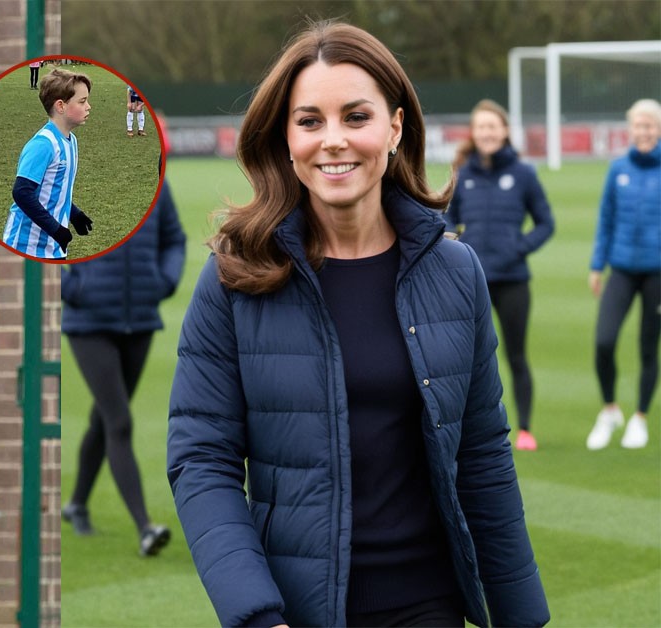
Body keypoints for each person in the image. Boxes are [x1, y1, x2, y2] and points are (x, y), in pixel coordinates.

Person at [167, 21, 548, 628]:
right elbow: (202, 460)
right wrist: (257, 615)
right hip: (297, 612)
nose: (333, 141)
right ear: (286, 139)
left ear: (395, 128)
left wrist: (523, 616)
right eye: (310, 121)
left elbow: (481, 454)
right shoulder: (234, 277)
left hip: (430, 606)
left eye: (356, 117)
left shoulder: (455, 271)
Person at [61, 179, 186, 555]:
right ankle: (145, 527)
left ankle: (76, 504)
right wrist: (73, 289)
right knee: (119, 421)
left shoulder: (158, 186)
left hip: (140, 320)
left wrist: (162, 282)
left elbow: (174, 239)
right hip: (90, 323)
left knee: (105, 418)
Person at [445, 99, 555, 451]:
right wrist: (455, 242)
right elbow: (447, 218)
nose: (487, 133)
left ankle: (524, 429)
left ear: (504, 131)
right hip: (470, 280)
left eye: (493, 127)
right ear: (474, 134)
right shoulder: (463, 172)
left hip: (512, 280)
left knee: (516, 355)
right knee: (464, 358)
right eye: (481, 128)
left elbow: (545, 223)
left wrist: (517, 248)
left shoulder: (524, 174)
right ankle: (460, 429)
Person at [585, 98, 661, 450]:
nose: (644, 131)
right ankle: (610, 409)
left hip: (657, 275)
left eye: (650, 125)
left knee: (648, 348)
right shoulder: (618, 169)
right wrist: (597, 265)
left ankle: (640, 418)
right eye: (639, 126)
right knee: (604, 341)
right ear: (630, 129)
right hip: (621, 270)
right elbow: (606, 219)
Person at [2, 68, 95, 260]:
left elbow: (52, 189)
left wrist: (74, 213)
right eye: (82, 101)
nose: (88, 107)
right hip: (25, 246)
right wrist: (56, 229)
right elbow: (22, 192)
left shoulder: (71, 140)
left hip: (53, 246)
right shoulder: (43, 145)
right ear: (60, 106)